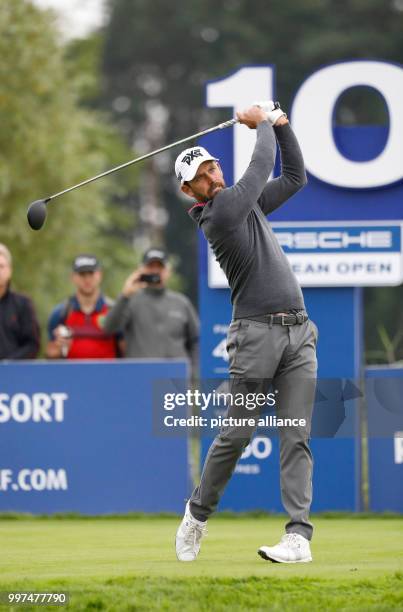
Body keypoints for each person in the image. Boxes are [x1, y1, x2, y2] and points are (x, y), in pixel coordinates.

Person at [174, 101, 318, 564]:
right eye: (203, 175)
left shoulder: (245, 201)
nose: (214, 177)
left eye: (214, 167)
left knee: (297, 433)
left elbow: (295, 176)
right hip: (255, 337)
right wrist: (260, 124)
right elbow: (260, 166)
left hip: (298, 332)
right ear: (189, 189)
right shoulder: (219, 214)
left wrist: (282, 125)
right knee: (236, 436)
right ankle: (197, 514)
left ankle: (298, 536)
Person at [101, 248, 199, 378]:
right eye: (150, 266)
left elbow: (197, 340)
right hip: (140, 379)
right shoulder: (130, 301)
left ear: (168, 271)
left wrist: (192, 371)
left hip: (175, 381)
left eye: (160, 267)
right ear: (140, 270)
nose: (155, 271)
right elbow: (109, 328)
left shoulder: (181, 303)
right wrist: (125, 295)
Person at [46, 255, 121, 359]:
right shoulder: (60, 313)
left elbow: (125, 351)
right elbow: (51, 355)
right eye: (82, 274)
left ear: (100, 275)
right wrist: (58, 347)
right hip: (72, 374)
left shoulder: (114, 311)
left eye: (91, 273)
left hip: (109, 374)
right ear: (73, 277)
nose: (87, 279)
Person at [0, 243, 40, 360]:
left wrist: (8, 363)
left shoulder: (23, 304)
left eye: (1, 266)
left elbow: (32, 345)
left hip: (15, 374)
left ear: (10, 270)